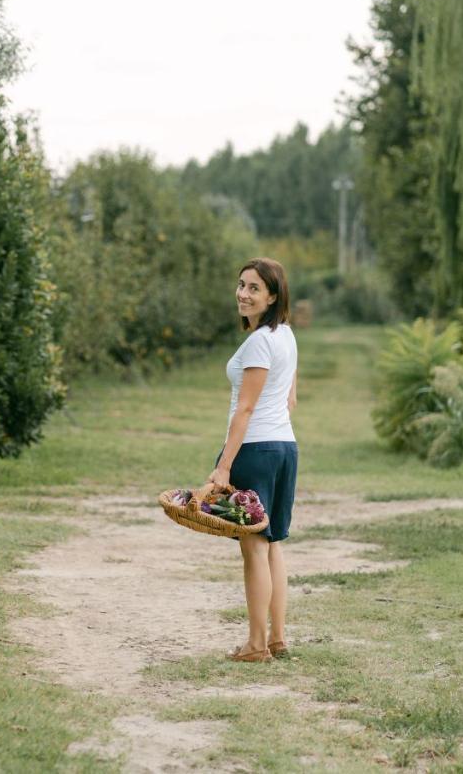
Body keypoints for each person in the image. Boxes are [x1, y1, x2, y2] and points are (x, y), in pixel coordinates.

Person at [206, 257, 298, 663]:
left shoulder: (260, 342)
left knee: (254, 549)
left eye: (254, 288)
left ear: (272, 296)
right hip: (284, 448)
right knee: (273, 543)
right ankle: (276, 639)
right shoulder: (286, 336)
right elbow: (290, 400)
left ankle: (256, 646)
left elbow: (244, 410)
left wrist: (225, 465)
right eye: (241, 284)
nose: (243, 294)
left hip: (256, 450)